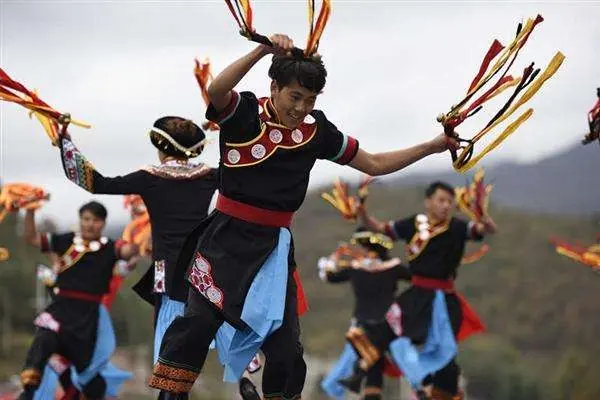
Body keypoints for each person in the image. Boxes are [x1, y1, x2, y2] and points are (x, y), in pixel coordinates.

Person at [149, 33, 458, 399]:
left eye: (310, 100)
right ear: (274, 86)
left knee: (286, 350)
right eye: (295, 97)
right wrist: (263, 49)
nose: (301, 108)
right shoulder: (244, 113)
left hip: (273, 252)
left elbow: (373, 162)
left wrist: (432, 146)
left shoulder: (317, 131)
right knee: (197, 324)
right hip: (223, 242)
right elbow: (216, 90)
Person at [56, 116, 218, 366]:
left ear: (161, 148)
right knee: (202, 328)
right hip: (201, 269)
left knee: (167, 334)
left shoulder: (149, 177)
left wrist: (66, 144)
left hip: (165, 268)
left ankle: (167, 376)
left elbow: (96, 183)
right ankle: (244, 363)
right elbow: (244, 175)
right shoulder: (209, 175)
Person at [349, 181, 496, 399]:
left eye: (450, 202)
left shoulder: (457, 227)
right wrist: (362, 215)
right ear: (428, 202)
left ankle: (436, 389)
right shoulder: (414, 224)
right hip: (415, 297)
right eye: (441, 200)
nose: (446, 206)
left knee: (445, 358)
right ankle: (362, 375)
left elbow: (485, 229)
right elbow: (380, 228)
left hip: (443, 301)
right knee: (376, 334)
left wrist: (483, 216)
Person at [18, 201, 138, 400]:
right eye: (86, 219)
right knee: (44, 339)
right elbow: (31, 237)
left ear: (103, 223)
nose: (90, 224)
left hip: (86, 321)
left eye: (96, 220)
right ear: (80, 219)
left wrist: (141, 226)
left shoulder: (110, 247)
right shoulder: (66, 241)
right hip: (60, 310)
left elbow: (129, 251)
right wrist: (30, 209)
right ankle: (27, 393)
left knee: (89, 378)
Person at [319, 228, 411, 400]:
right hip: (389, 326)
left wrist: (336, 257)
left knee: (369, 362)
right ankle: (360, 377)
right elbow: (419, 279)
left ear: (371, 250)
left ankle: (357, 375)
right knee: (395, 363)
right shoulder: (393, 268)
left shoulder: (356, 269)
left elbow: (329, 275)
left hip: (364, 325)